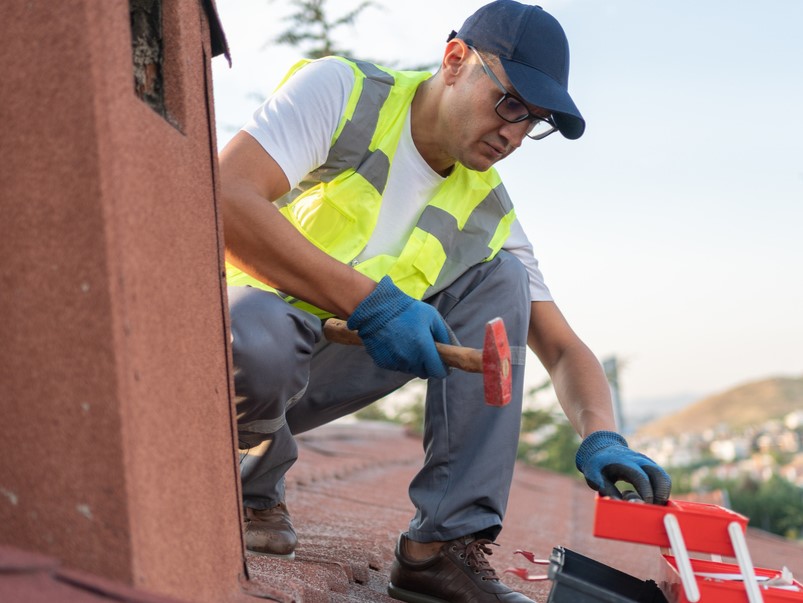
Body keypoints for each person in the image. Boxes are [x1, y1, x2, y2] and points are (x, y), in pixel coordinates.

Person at [219, 1, 672, 601]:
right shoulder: (343, 95)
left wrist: (601, 436)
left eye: (532, 122)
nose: (513, 134)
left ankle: (442, 550)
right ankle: (249, 480)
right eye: (510, 103)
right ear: (455, 59)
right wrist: (373, 303)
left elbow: (562, 350)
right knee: (258, 334)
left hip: (325, 368)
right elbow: (223, 199)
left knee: (503, 279)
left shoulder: (488, 210)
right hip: (234, 356)